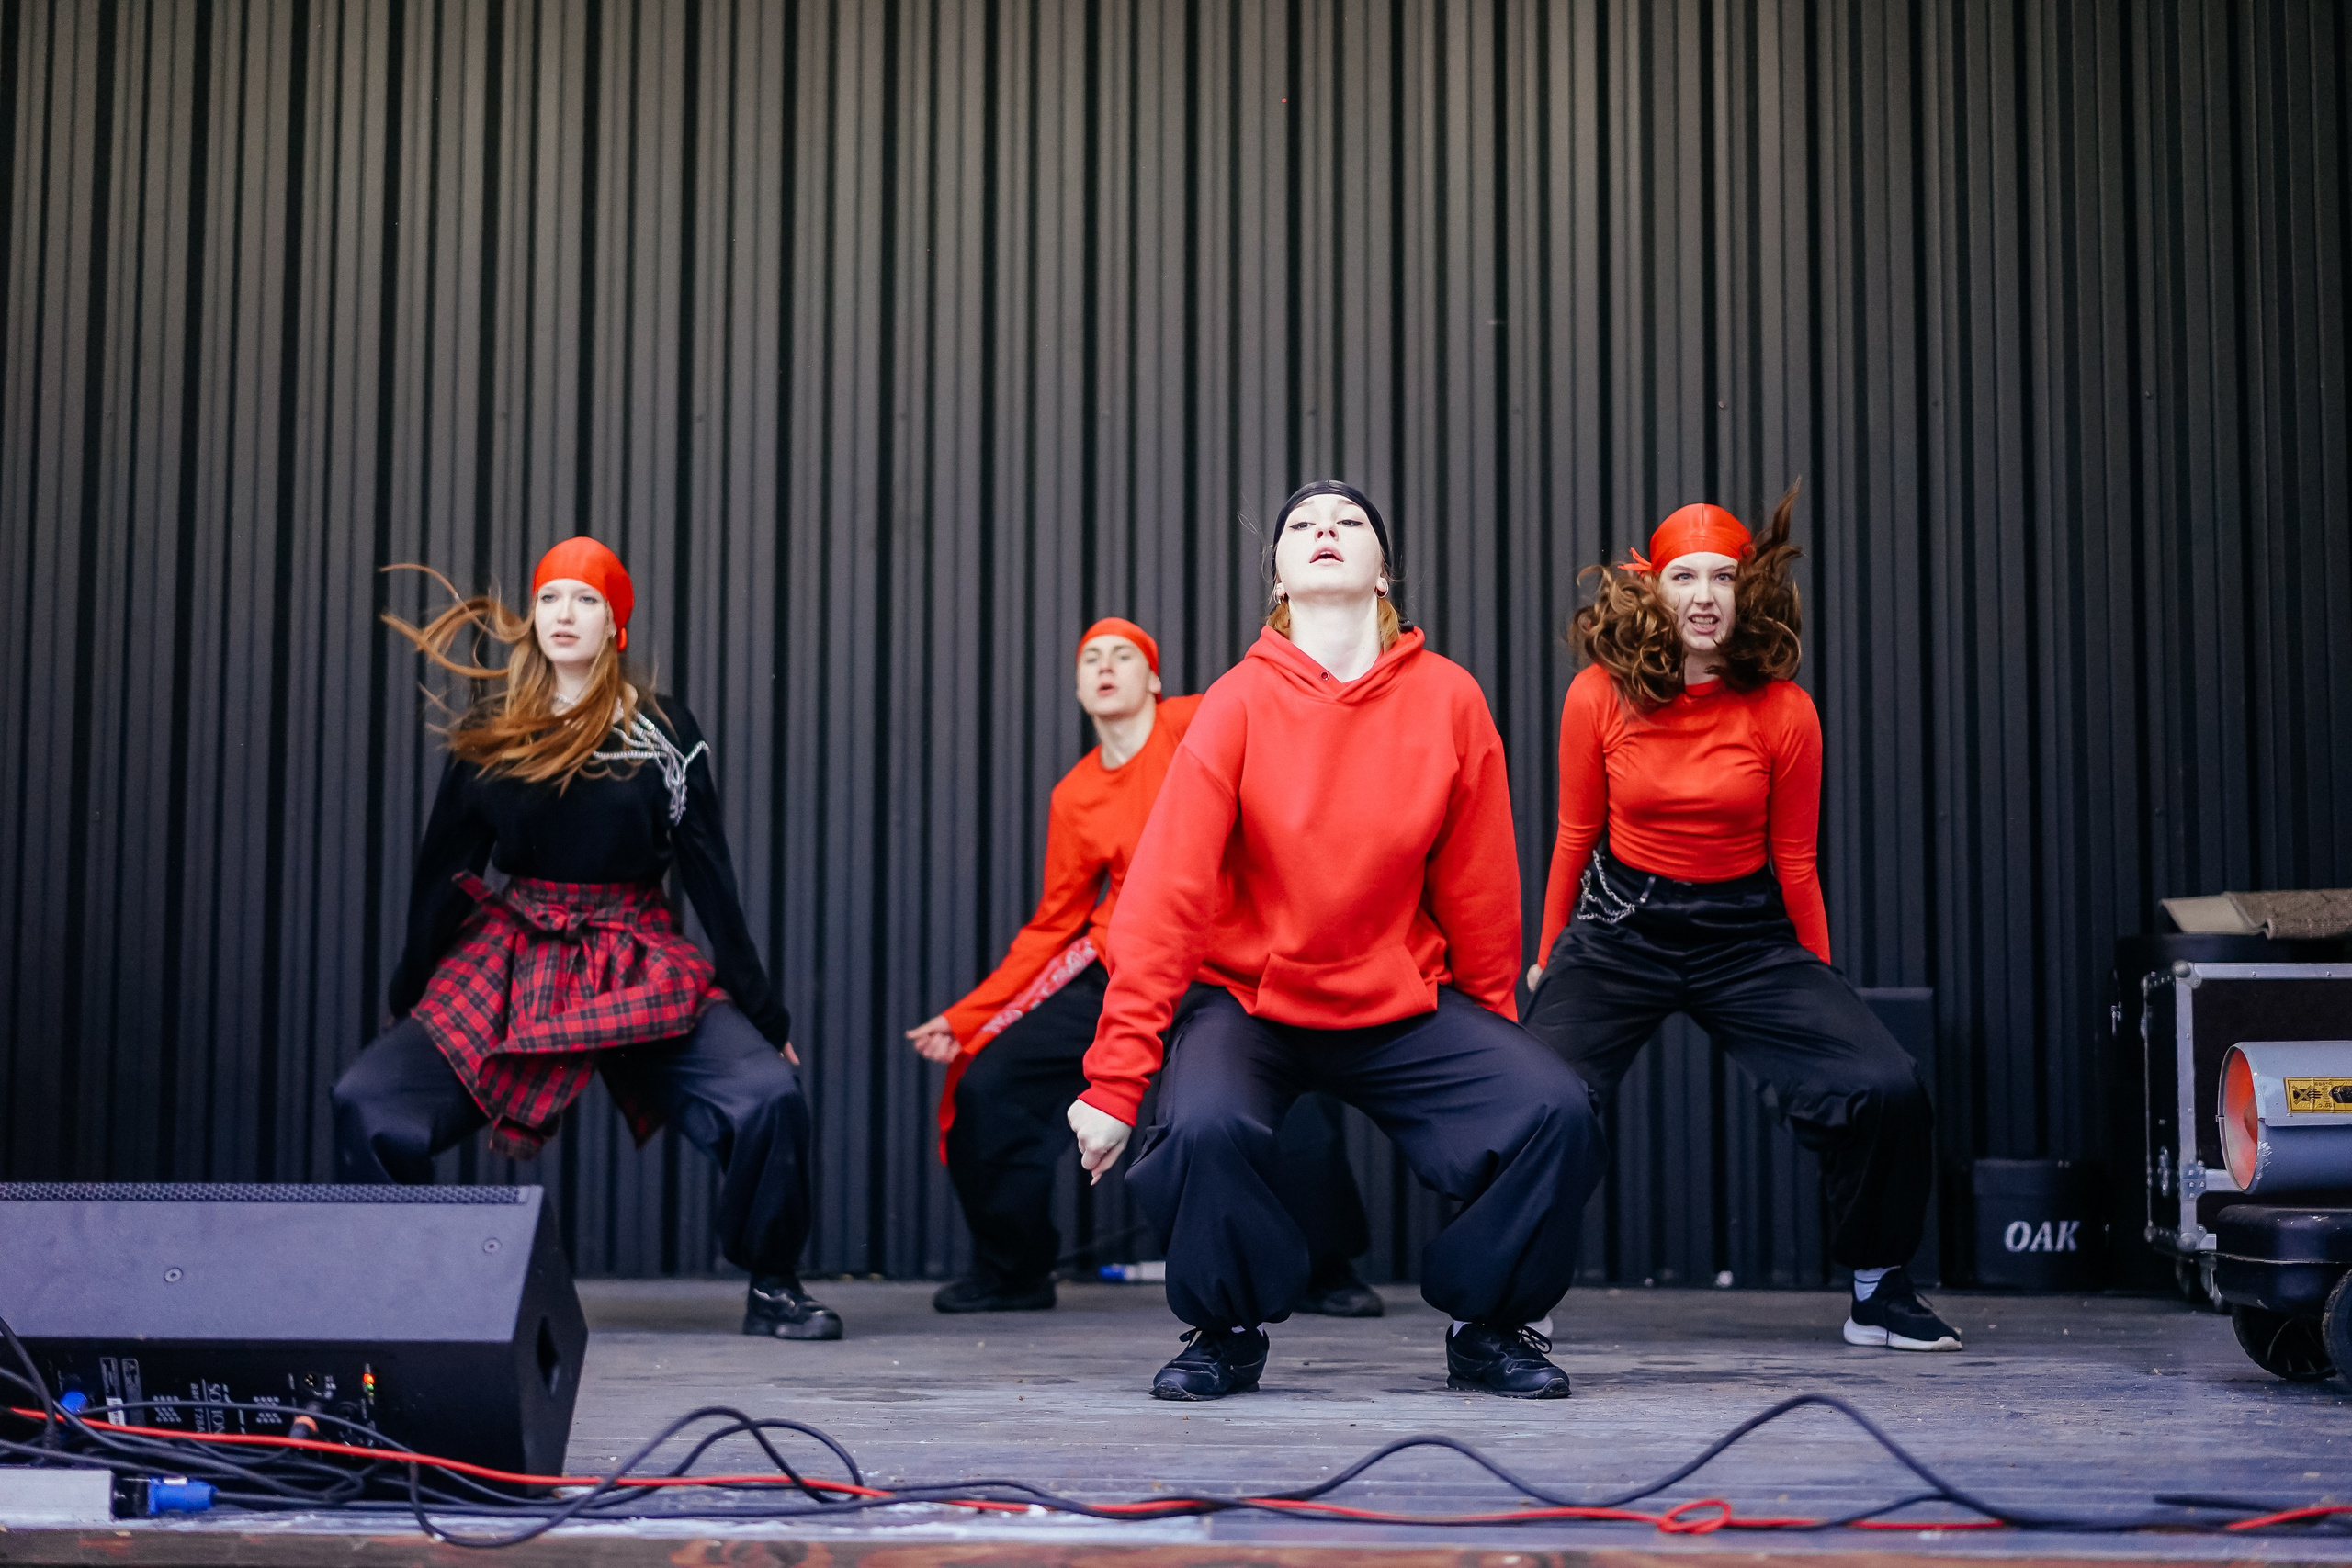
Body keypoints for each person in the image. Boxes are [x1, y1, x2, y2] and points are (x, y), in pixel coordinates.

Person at [1067, 481, 1606, 1402]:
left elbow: (1478, 888)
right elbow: (1165, 897)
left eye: (1348, 522)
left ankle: (1487, 1325)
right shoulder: (1234, 704)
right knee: (1205, 1124)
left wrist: (1494, 1042)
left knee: (1552, 1108)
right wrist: (1116, 1079)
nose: (1325, 531)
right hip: (1253, 1002)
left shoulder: (1448, 698)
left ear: (1381, 569)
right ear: (1277, 574)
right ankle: (1226, 1331)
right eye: (1302, 526)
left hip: (1397, 1000)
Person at [332, 539, 841, 1341]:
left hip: (636, 952)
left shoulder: (664, 730)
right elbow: (443, 875)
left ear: (616, 626)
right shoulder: (490, 731)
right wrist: (409, 993)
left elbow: (711, 878)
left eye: (587, 600)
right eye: (551, 599)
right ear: (533, 619)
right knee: (367, 1099)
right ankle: (410, 1287)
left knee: (769, 1098)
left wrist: (767, 1019)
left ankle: (774, 1283)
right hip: (515, 953)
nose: (566, 614)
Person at [1520, 486, 1959, 1352]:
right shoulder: (1596, 698)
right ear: (1654, 589)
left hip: (1746, 936)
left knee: (1886, 1085)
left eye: (1724, 576)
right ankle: (1513, 1299)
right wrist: (1543, 957)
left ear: (1747, 588)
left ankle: (1878, 1287)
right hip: (1621, 928)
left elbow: (1796, 860)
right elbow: (1575, 833)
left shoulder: (1784, 710)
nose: (1706, 594)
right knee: (1535, 1098)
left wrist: (1823, 976)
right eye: (1685, 576)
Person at [906, 619, 1382, 1316]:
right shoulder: (1075, 795)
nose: (1105, 667)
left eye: (1123, 656)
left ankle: (1326, 1270)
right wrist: (967, 1015)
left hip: (1223, 957)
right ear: (1077, 687)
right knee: (989, 1086)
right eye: (1090, 658)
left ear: (1153, 679)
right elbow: (1053, 922)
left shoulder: (1197, 721)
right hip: (1125, 959)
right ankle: (1013, 1270)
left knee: (1288, 1091)